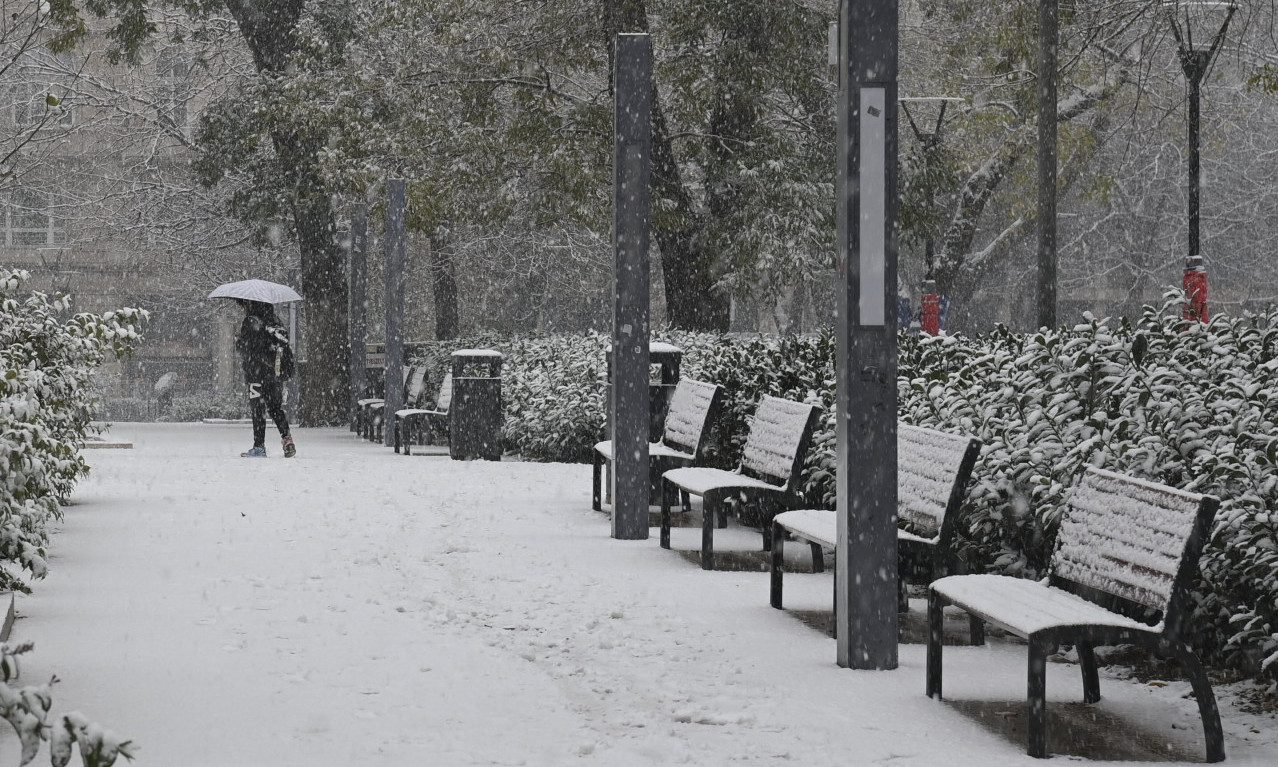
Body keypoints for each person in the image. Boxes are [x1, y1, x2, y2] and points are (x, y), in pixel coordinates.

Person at [234, 299, 296, 457]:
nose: (243, 309)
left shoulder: (250, 321)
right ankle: (287, 440)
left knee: (258, 410)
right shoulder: (275, 322)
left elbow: (246, 350)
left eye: (244, 305)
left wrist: (239, 340)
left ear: (249, 305)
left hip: (255, 375)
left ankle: (259, 446)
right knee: (276, 409)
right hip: (274, 375)